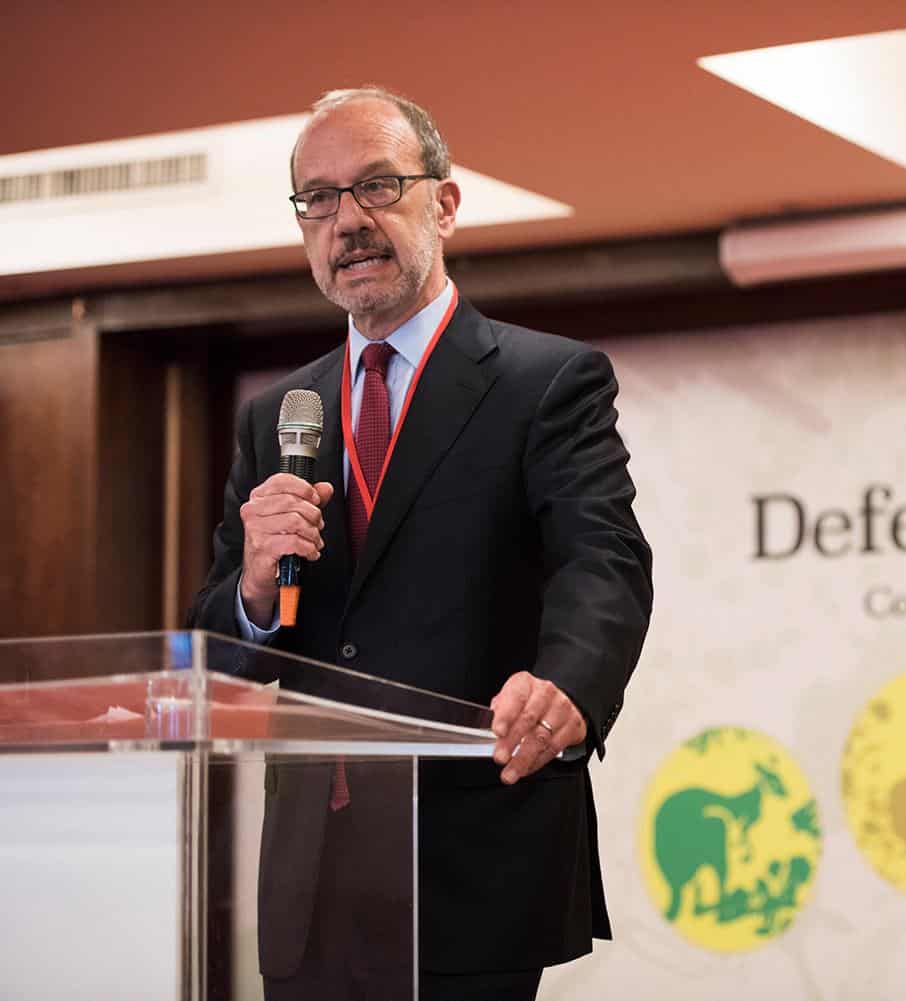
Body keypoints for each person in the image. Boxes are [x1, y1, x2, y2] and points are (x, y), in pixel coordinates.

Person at [187, 86, 653, 1001]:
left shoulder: (544, 379)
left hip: (470, 859)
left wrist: (568, 682)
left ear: (444, 202)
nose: (346, 221)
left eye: (376, 186)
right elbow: (222, 644)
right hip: (310, 876)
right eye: (317, 199)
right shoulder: (277, 415)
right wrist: (248, 586)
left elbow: (604, 560)